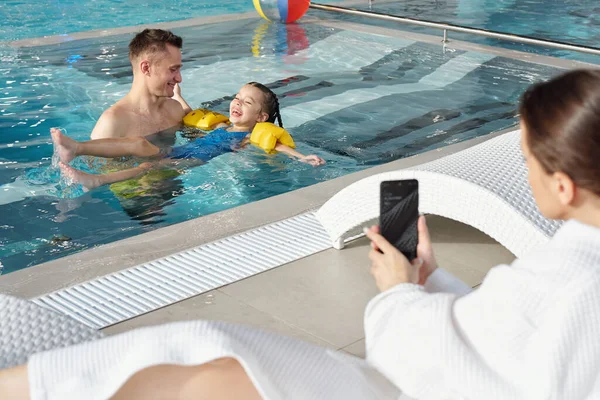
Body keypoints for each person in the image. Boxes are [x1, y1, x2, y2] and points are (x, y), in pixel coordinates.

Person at [2, 69, 599, 399]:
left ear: (566, 187)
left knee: (201, 344)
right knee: (203, 347)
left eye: (527, 161)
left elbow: (447, 366)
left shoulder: (566, 280)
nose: (523, 171)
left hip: (393, 383)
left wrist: (398, 292)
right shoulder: (567, 271)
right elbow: (505, 347)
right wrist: (434, 279)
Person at [52, 82, 326, 189]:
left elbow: (277, 146)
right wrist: (180, 97)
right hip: (179, 154)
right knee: (138, 146)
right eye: (237, 97)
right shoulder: (222, 127)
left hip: (188, 163)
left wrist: (302, 157)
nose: (237, 103)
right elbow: (190, 116)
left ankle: (94, 176)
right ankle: (78, 150)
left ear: (261, 118)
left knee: (145, 163)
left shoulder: (250, 136)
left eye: (247, 103)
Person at [89, 28, 187, 140]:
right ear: (146, 68)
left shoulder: (175, 109)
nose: (179, 79)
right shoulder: (113, 124)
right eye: (173, 69)